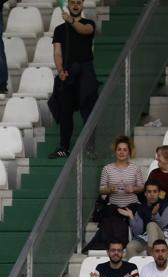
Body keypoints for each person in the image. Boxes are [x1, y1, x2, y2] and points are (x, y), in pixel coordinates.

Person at [49, 0, 97, 159]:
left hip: (86, 71)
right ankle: (63, 147)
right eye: (72, 2)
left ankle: (90, 147)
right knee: (65, 111)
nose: (75, 5)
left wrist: (70, 20)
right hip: (69, 72)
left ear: (82, 5)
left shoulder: (89, 23)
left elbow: (84, 30)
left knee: (88, 110)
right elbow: (57, 52)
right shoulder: (60, 30)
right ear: (68, 5)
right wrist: (60, 70)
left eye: (78, 2)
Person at [94, 136, 146, 250]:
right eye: (119, 149)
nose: (122, 152)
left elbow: (142, 187)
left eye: (125, 149)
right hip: (114, 205)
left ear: (129, 152)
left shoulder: (135, 168)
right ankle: (116, 247)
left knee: (135, 214)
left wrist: (133, 189)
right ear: (115, 151)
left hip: (132, 204)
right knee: (112, 217)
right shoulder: (107, 169)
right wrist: (109, 190)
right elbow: (102, 189)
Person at [124, 182, 168, 258]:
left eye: (155, 191)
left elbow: (162, 225)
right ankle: (136, 269)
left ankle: (151, 256)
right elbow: (138, 232)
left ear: (159, 193)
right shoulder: (141, 208)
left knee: (151, 225)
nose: (152, 194)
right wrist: (131, 217)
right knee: (130, 247)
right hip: (146, 238)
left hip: (163, 237)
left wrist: (155, 215)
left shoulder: (167, 206)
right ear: (145, 194)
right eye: (149, 192)